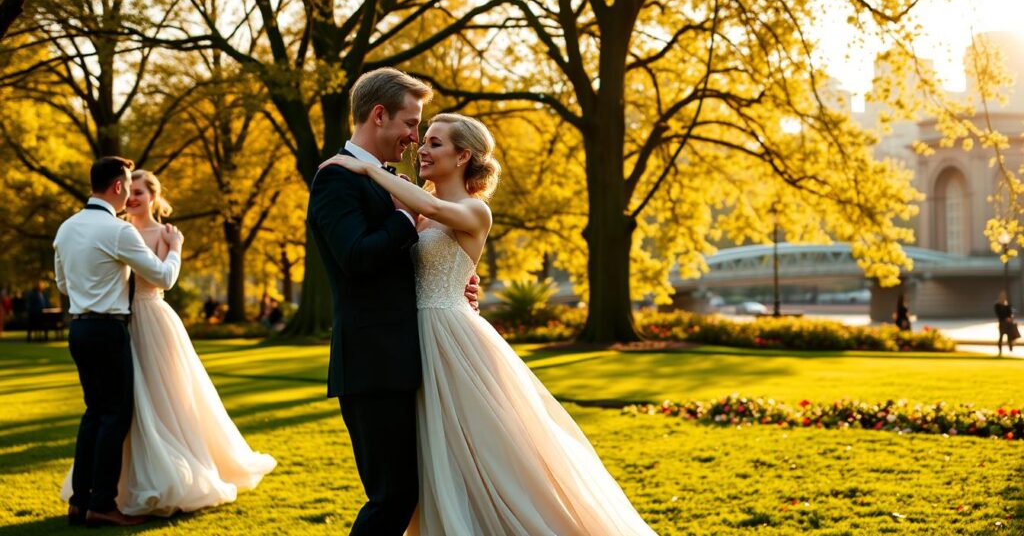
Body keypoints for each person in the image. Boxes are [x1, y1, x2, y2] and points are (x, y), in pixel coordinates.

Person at [320, 112, 657, 534]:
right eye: (423, 140)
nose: (422, 149)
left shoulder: (473, 210)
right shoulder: (415, 210)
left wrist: (365, 166)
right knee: (436, 458)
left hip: (454, 342)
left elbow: (430, 208)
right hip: (414, 343)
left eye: (435, 143)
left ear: (464, 155)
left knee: (490, 452)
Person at [306, 68, 479, 536]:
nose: (414, 137)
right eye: (410, 123)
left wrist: (454, 282)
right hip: (372, 363)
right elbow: (356, 258)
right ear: (379, 115)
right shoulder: (336, 179)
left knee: (410, 491)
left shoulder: (385, 179)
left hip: (408, 359)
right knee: (392, 497)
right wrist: (406, 221)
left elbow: (408, 258)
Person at [59, 169, 276, 517]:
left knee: (148, 401)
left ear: (154, 197)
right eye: (131, 190)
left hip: (149, 321)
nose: (133, 197)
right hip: (118, 324)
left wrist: (173, 247)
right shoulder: (116, 231)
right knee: (116, 411)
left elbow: (161, 280)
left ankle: (97, 497)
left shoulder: (151, 232)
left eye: (140, 192)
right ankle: (104, 495)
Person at [53, 157, 183, 527]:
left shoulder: (66, 228)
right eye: (127, 184)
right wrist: (174, 248)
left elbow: (63, 285)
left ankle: (79, 501)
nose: (128, 191)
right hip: (109, 330)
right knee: (114, 416)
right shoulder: (118, 231)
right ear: (117, 186)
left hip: (78, 329)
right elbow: (163, 277)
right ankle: (103, 503)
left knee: (93, 413)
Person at [994, 291, 1018, 356]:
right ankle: (1000, 350)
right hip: (1002, 323)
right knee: (1001, 337)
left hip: (1008, 324)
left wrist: (1010, 318)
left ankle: (1011, 350)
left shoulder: (1008, 305)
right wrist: (1005, 318)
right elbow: (999, 314)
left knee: (1010, 337)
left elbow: (1011, 312)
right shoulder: (997, 305)